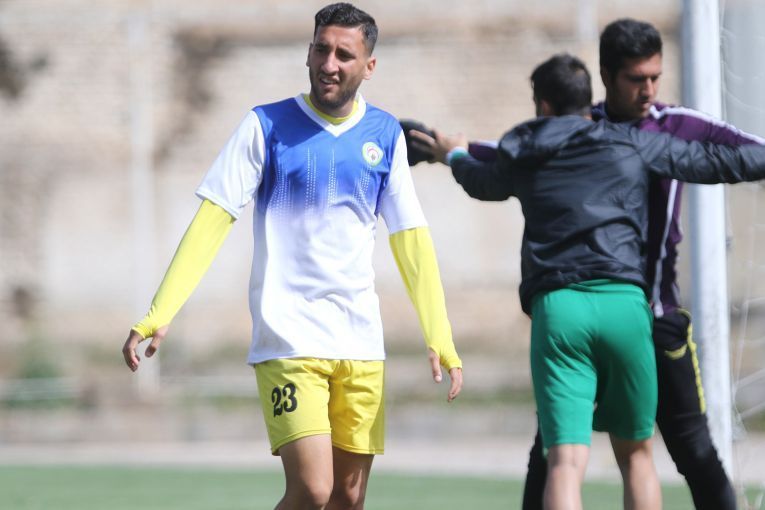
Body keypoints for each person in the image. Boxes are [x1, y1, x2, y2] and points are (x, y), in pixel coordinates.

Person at [121, 3, 463, 510]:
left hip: (360, 339)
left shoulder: (385, 134)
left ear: (369, 66)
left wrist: (439, 335)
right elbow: (213, 218)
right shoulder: (265, 125)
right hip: (289, 336)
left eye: (344, 54)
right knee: (313, 489)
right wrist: (160, 311)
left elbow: (410, 238)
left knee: (348, 497)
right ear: (308, 52)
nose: (329, 63)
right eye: (321, 49)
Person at [409, 53, 765, 510]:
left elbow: (483, 179)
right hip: (626, 306)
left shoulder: (525, 149)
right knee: (637, 456)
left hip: (560, 310)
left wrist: (454, 154)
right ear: (590, 96)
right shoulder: (633, 143)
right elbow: (711, 162)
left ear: (542, 105)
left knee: (563, 461)